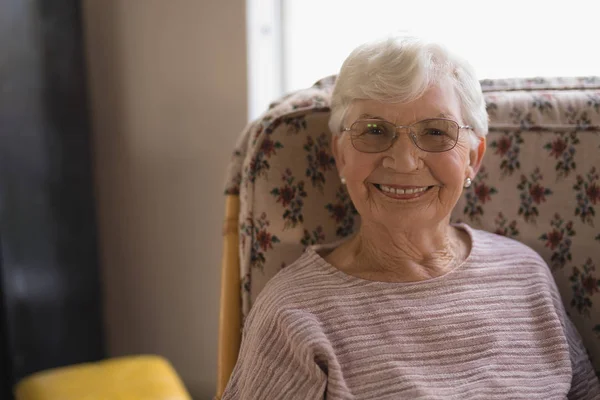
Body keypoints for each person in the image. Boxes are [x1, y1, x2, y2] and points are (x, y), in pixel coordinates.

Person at [221, 36, 600, 399]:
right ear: (340, 155)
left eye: (436, 132)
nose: (403, 161)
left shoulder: (524, 274)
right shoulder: (293, 313)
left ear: (473, 158)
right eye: (374, 131)